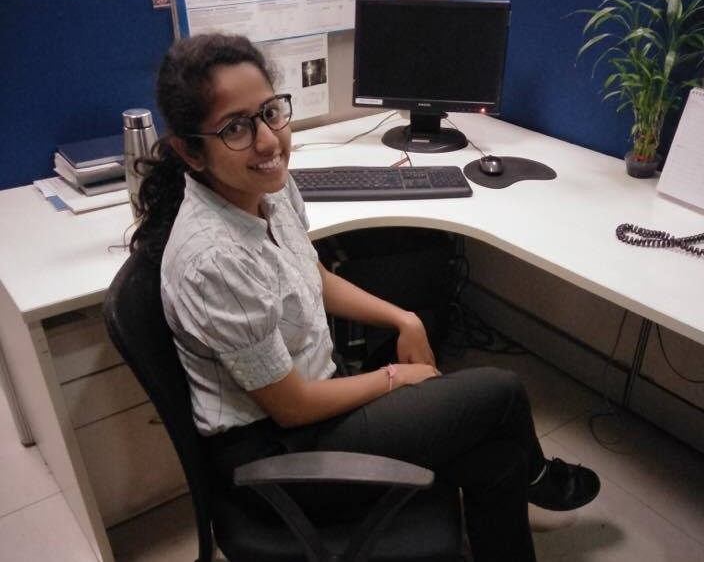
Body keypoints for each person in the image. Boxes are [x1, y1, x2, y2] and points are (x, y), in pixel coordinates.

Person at [131, 33, 600, 562]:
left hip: (317, 403)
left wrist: (404, 319)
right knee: (501, 392)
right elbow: (290, 407)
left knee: (497, 461)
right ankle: (541, 478)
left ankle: (525, 479)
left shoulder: (267, 188)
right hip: (278, 459)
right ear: (190, 151)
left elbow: (308, 274)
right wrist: (396, 377)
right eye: (235, 128)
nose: (267, 141)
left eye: (269, 113)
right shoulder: (214, 259)